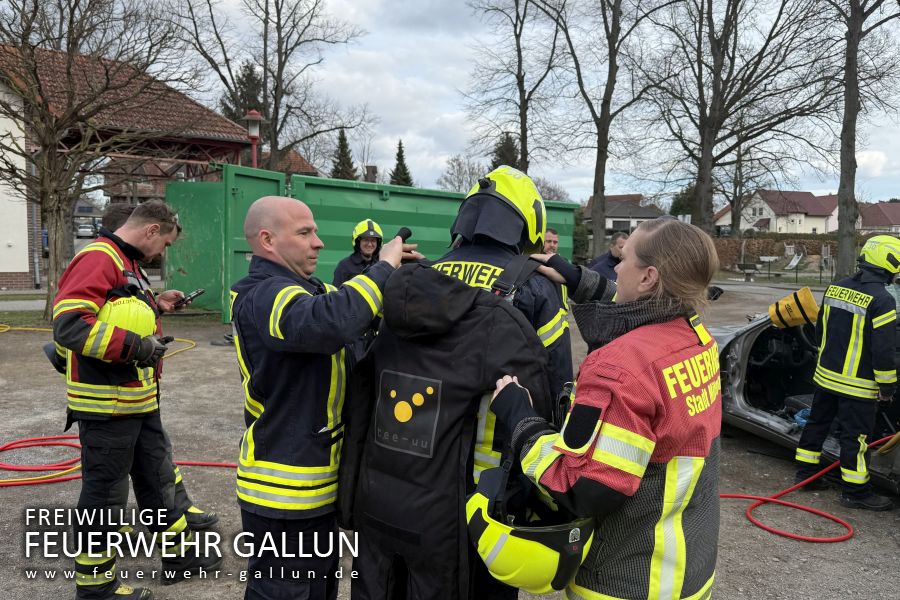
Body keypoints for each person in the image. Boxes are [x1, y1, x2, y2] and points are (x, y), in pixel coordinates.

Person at [348, 165, 584, 600]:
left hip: (409, 476)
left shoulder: (423, 276)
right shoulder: (533, 288)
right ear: (528, 219)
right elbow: (556, 391)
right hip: (491, 488)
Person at [488, 217, 721, 599]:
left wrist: (520, 419)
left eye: (624, 259)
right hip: (687, 569)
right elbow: (638, 305)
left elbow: (585, 487)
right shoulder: (694, 336)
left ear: (648, 277)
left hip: (626, 579)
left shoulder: (620, 368)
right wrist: (577, 279)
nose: (614, 267)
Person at [229, 196, 419, 600]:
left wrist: (403, 278)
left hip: (316, 489)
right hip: (283, 493)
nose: (318, 242)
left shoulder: (307, 289)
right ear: (267, 239)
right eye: (304, 232)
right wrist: (383, 267)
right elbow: (330, 321)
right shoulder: (263, 295)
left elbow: (353, 312)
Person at [53, 200, 221, 600]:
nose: (163, 252)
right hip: (107, 403)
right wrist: (135, 348)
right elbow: (70, 324)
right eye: (164, 243)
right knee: (106, 494)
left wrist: (157, 303)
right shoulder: (99, 257)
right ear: (151, 231)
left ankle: (180, 557)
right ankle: (97, 589)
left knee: (156, 478)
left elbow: (117, 309)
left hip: (137, 399)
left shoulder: (127, 265)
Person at [794, 235, 900, 511]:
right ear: (890, 264)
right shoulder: (883, 300)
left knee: (817, 424)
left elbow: (821, 331)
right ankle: (856, 492)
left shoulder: (835, 288)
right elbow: (884, 350)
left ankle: (805, 475)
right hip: (858, 386)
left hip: (826, 377)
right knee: (856, 438)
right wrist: (887, 387)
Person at [333, 219, 383, 286]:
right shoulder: (345, 266)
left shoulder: (381, 265)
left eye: (373, 240)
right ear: (358, 242)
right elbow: (336, 293)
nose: (369, 244)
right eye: (366, 240)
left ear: (378, 243)